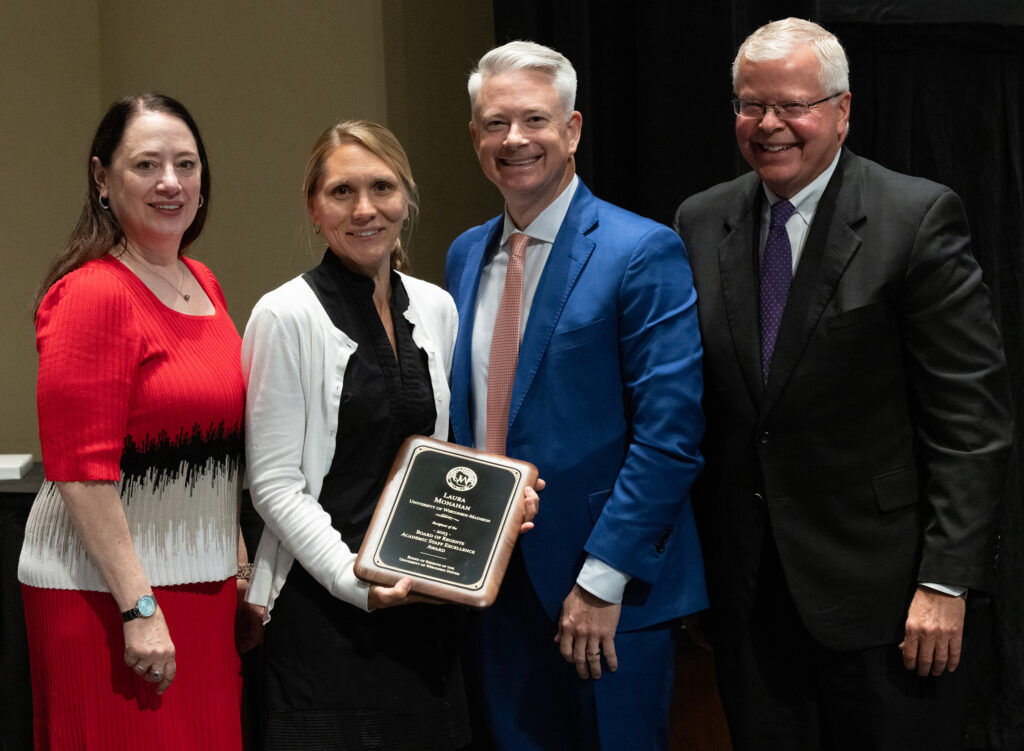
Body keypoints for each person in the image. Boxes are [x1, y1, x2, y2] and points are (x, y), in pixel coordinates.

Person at [673, 18, 1014, 751]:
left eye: (791, 104)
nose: (769, 125)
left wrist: (947, 582)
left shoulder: (915, 216)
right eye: (749, 105)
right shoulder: (700, 221)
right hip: (750, 607)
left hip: (890, 607)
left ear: (842, 108)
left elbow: (971, 423)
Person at [241, 119, 539, 750]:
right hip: (324, 610)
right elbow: (272, 483)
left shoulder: (436, 305)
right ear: (314, 206)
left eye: (382, 187)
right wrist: (356, 583)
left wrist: (500, 505)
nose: (365, 209)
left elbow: (444, 456)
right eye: (343, 191)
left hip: (423, 606)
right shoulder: (283, 314)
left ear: (407, 198)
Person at [446, 41, 707, 750]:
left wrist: (602, 579)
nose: (514, 140)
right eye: (494, 124)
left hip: (600, 592)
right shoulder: (464, 253)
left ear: (573, 129)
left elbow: (671, 435)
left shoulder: (640, 250)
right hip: (490, 586)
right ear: (475, 138)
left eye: (534, 119)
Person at [19, 93, 247, 750]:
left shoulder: (202, 281)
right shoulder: (91, 292)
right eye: (146, 164)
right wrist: (139, 608)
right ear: (102, 178)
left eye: (186, 163)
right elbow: (80, 472)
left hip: (200, 589)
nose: (171, 182)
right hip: (106, 597)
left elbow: (216, 440)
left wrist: (233, 560)